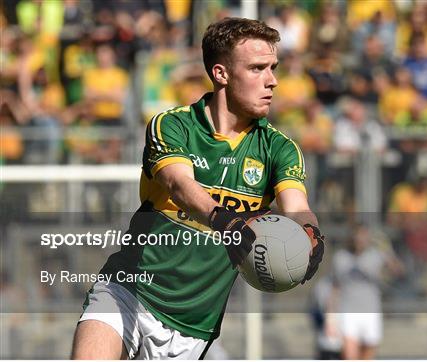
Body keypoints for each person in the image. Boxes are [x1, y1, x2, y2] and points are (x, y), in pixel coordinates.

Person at [70, 17, 325, 360]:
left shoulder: (278, 148)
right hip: (127, 293)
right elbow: (178, 183)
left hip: (195, 329)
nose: (273, 81)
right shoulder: (172, 125)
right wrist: (225, 221)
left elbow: (296, 205)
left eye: (273, 68)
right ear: (221, 73)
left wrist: (310, 232)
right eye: (257, 68)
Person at [329, 224, 403, 360]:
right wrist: (330, 318)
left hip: (371, 311)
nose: (360, 240)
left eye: (363, 236)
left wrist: (387, 250)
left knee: (368, 356)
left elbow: (398, 272)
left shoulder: (375, 255)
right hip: (348, 311)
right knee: (350, 356)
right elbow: (335, 288)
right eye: (357, 236)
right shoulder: (341, 257)